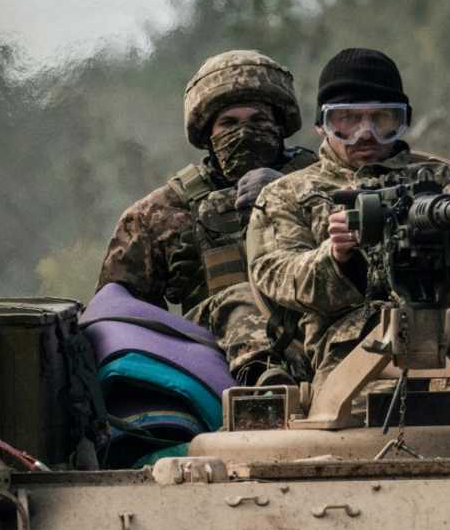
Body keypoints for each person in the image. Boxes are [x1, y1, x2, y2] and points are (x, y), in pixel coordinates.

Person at [247, 48, 450, 397]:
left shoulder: (440, 179)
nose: (365, 134)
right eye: (348, 120)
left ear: (402, 121)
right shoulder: (287, 194)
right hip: (351, 369)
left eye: (382, 120)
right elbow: (275, 275)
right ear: (322, 125)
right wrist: (335, 257)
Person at [97, 50, 316, 384]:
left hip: (320, 342)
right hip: (211, 365)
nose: (244, 134)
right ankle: (262, 379)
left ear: (279, 126)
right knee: (238, 300)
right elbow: (119, 317)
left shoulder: (322, 183)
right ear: (207, 134)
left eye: (258, 120)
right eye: (228, 123)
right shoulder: (159, 214)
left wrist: (290, 194)